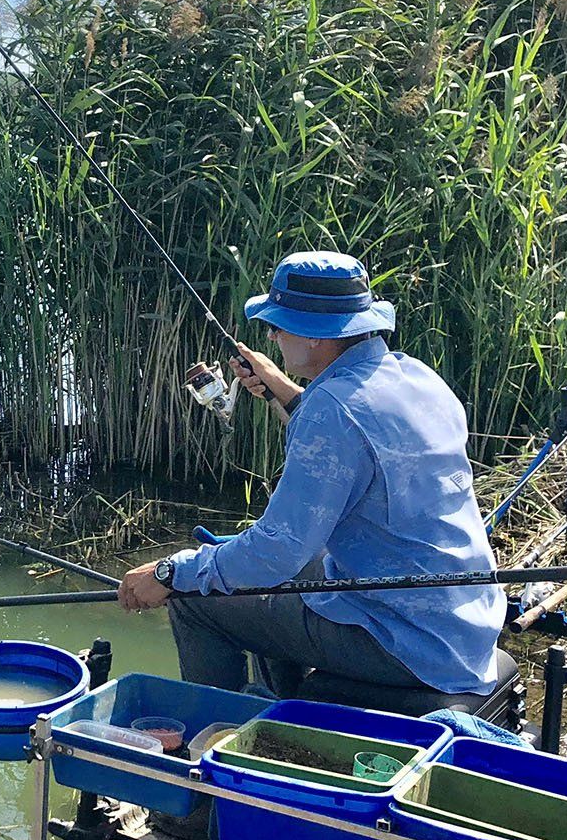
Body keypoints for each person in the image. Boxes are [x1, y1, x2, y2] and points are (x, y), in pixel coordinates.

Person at [117, 251, 505, 699]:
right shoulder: (413, 376)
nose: (271, 335)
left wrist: (171, 571)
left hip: (408, 641)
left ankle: (223, 737)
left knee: (197, 600)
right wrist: (281, 388)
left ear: (314, 336)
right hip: (465, 622)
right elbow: (354, 438)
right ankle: (283, 706)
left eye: (278, 326)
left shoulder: (332, 412)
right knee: (267, 568)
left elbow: (275, 552)